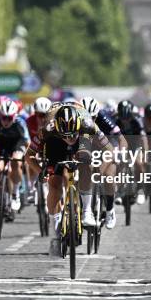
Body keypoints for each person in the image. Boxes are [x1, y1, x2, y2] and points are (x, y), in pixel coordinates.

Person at [26, 104, 114, 256]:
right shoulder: (48, 129)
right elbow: (29, 156)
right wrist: (41, 172)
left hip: (83, 139)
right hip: (55, 143)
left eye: (72, 135)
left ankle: (87, 212)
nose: (69, 139)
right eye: (66, 136)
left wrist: (100, 170)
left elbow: (109, 150)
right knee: (54, 183)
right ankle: (56, 228)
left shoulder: (87, 124)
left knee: (85, 162)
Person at [81, 96, 124, 229]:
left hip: (107, 144)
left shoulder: (104, 118)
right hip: (86, 144)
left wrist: (121, 153)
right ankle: (83, 209)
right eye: (86, 118)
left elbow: (121, 139)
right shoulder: (76, 119)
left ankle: (110, 210)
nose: (90, 121)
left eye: (93, 118)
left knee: (108, 177)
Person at [0, 99, 30, 214]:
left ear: (14, 116)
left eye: (9, 118)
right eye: (4, 118)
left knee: (16, 162)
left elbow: (28, 143)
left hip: (16, 144)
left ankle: (15, 193)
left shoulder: (20, 123)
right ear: (0, 116)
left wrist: (29, 158)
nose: (6, 121)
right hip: (1, 146)